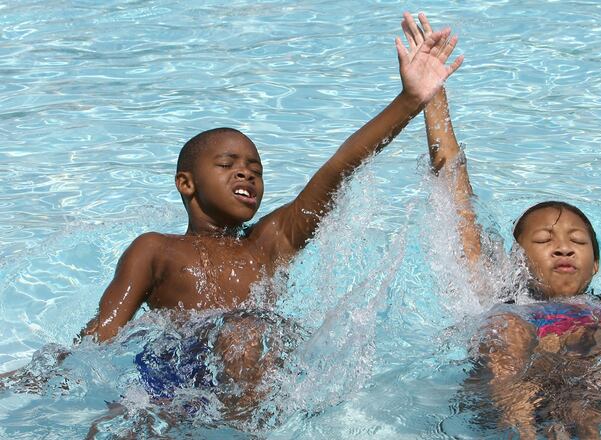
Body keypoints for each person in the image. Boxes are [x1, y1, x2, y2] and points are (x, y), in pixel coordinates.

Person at [2, 17, 463, 407]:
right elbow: (105, 331)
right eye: (227, 165)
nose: (245, 175)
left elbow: (336, 171)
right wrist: (43, 373)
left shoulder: (270, 242)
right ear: (186, 183)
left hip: (248, 372)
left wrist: (409, 102)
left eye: (255, 169)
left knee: (250, 332)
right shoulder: (155, 249)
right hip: (174, 375)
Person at [401, 12, 601, 438]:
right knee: (506, 327)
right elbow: (456, 196)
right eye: (545, 239)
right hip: (502, 401)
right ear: (517, 258)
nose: (564, 247)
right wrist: (433, 98)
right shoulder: (503, 295)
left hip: (587, 396)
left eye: (577, 242)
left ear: (595, 266)